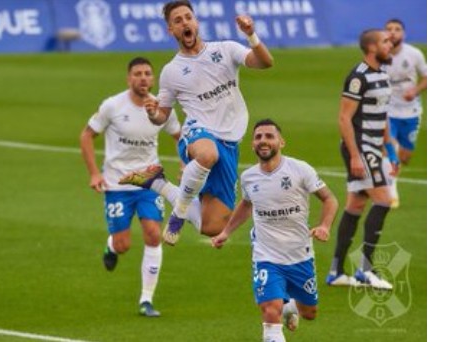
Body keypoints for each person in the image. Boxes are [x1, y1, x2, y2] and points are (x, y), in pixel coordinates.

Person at [119, 0, 273, 246]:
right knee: (207, 154)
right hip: (197, 133)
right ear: (171, 30)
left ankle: (157, 182)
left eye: (188, 17)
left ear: (196, 21)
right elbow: (162, 115)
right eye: (177, 21)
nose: (184, 23)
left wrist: (251, 35)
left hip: (230, 141)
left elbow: (265, 62)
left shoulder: (225, 49)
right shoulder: (172, 71)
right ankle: (178, 213)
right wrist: (152, 113)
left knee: (213, 227)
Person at [211, 119, 338, 342]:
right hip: (266, 255)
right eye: (258, 137)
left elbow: (330, 199)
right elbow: (246, 204)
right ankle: (280, 309)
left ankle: (290, 306)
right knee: (270, 310)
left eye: (269, 136)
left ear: (281, 142)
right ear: (252, 144)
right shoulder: (249, 177)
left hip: (300, 255)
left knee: (309, 313)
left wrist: (325, 226)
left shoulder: (300, 170)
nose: (263, 141)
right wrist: (226, 232)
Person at [79, 57, 181, 317]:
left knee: (153, 234)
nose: (143, 78)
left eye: (148, 73)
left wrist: (183, 162)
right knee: (124, 243)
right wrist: (93, 173)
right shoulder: (113, 106)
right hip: (117, 183)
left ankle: (146, 300)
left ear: (153, 78)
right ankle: (111, 247)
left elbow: (179, 135)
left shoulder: (162, 107)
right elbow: (87, 135)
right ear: (129, 79)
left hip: (149, 181)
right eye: (138, 74)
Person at [326, 29, 398, 290]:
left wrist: (389, 149)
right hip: (361, 148)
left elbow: (382, 115)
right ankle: (365, 270)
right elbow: (344, 118)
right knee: (384, 200)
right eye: (385, 42)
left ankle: (336, 271)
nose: (390, 45)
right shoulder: (358, 76)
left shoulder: (382, 74)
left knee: (355, 206)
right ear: (371, 48)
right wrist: (355, 154)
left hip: (373, 148)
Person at [385, 18, 427, 208]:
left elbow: (427, 77)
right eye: (389, 29)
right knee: (390, 148)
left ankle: (394, 168)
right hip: (388, 111)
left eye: (397, 29)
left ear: (404, 33)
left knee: (405, 156)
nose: (393, 32)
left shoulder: (414, 54)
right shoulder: (379, 55)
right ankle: (392, 190)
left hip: (411, 112)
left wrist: (415, 91)